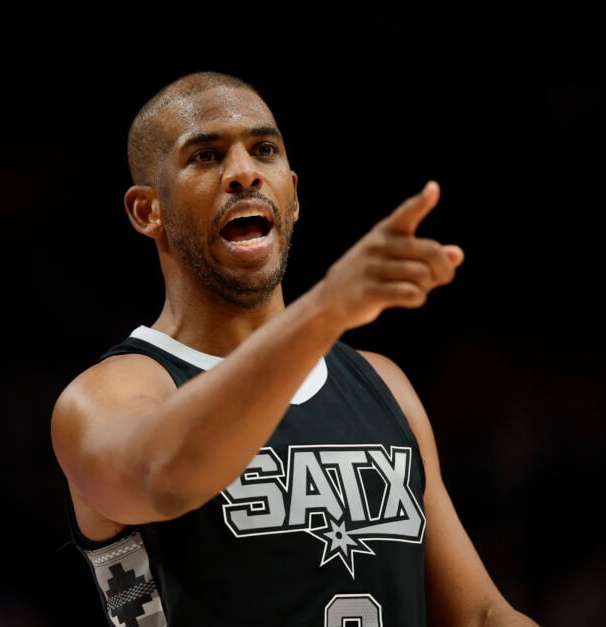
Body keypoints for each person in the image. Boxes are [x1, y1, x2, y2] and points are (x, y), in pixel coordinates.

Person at [51, 70, 538, 626]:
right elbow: (163, 480)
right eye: (206, 157)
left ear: (294, 194)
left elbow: (478, 614)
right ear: (147, 211)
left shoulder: (384, 385)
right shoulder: (105, 396)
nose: (243, 173)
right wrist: (325, 310)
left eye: (263, 150)